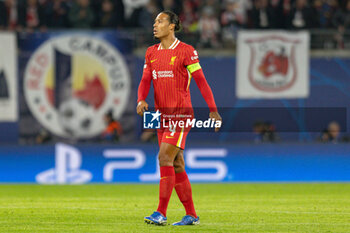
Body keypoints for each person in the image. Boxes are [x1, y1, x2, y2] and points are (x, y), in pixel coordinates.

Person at [136, 10, 222, 226]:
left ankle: (160, 213)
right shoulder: (151, 52)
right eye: (154, 21)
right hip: (158, 114)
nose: (155, 25)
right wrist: (140, 99)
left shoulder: (186, 51)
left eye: (160, 21)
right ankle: (191, 215)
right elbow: (145, 80)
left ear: (172, 25)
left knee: (164, 158)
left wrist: (213, 109)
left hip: (180, 113)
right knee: (176, 163)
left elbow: (201, 82)